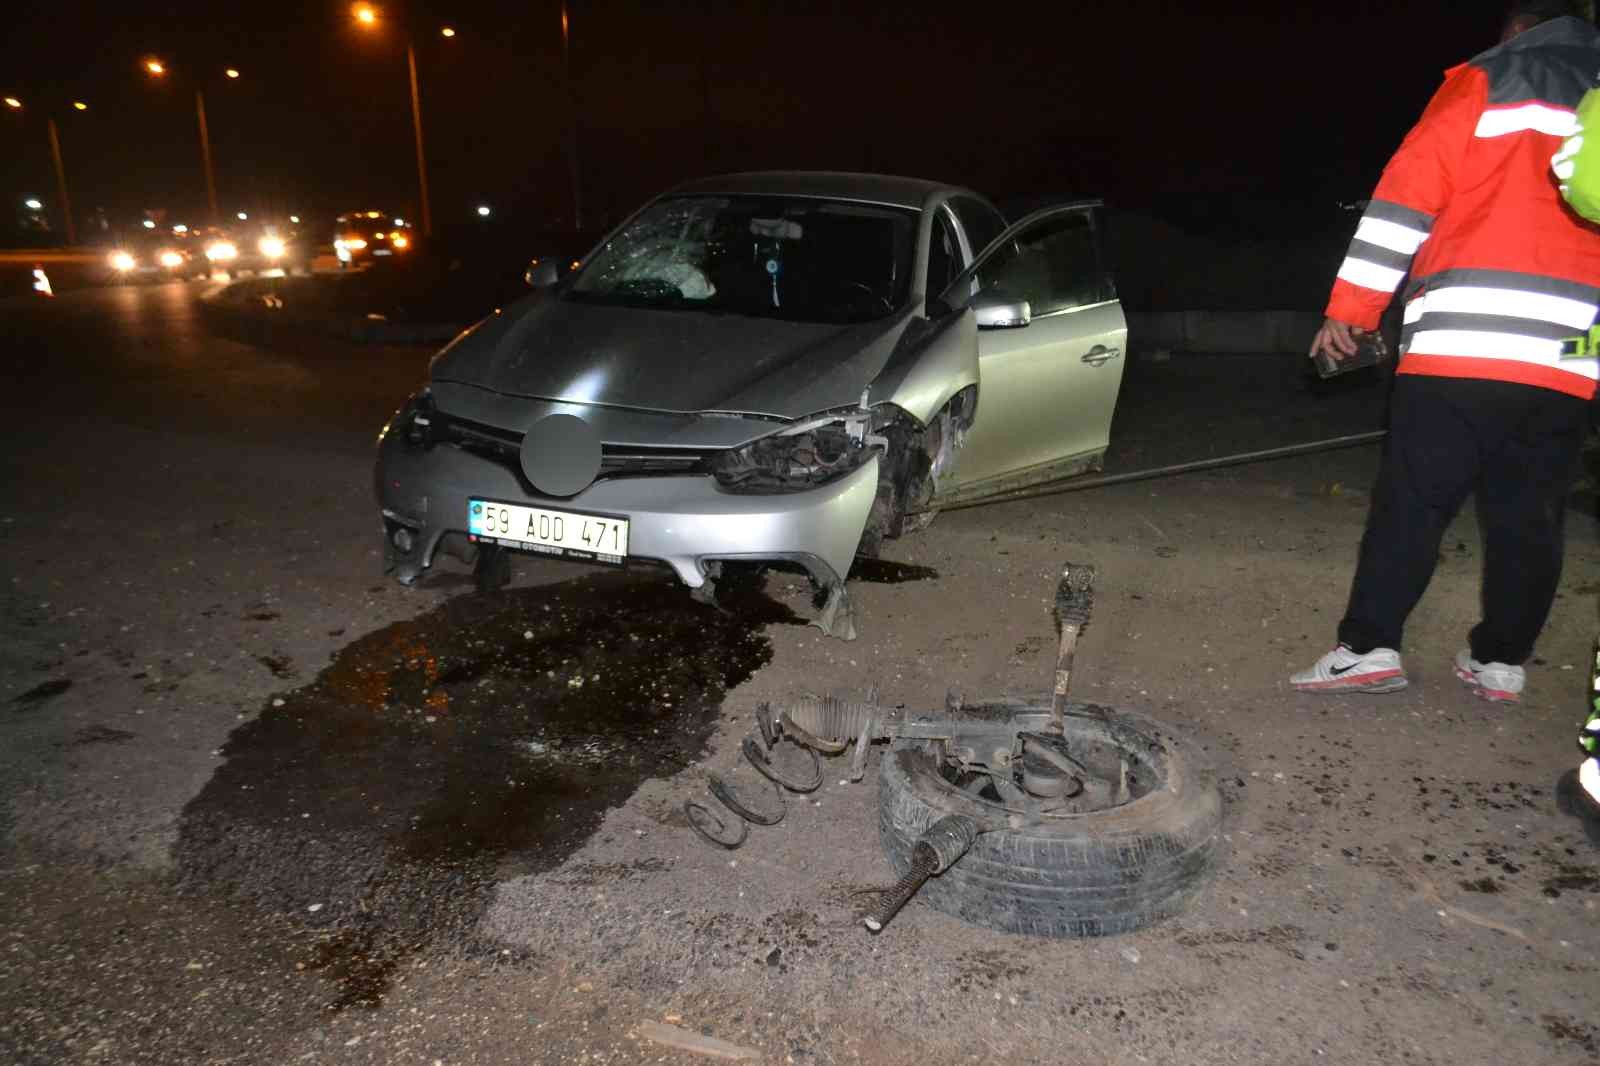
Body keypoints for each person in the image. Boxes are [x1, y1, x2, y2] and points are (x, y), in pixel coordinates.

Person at [1291, 2, 1600, 701]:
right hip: (1570, 355)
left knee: (1415, 504)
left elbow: (1406, 198)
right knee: (1530, 517)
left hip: (1464, 341)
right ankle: (1500, 660)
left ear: (1518, 28)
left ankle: (1369, 648)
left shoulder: (1493, 77)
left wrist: (1351, 311)